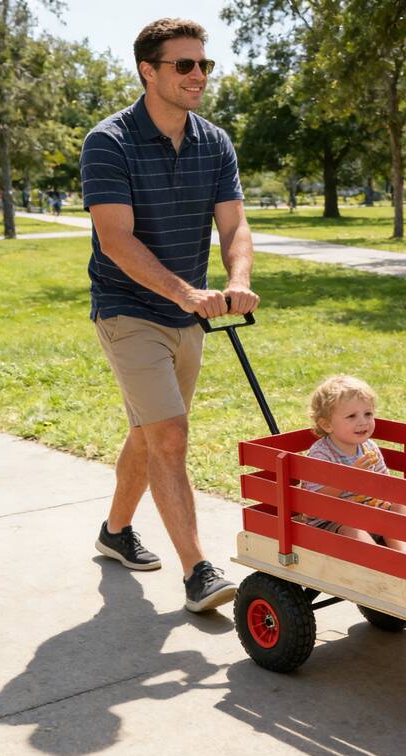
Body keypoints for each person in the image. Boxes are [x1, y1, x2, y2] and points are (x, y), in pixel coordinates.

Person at [80, 18, 259, 612]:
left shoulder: (215, 141)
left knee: (150, 431)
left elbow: (233, 225)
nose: (198, 75)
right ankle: (197, 571)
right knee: (171, 435)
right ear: (148, 70)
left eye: (204, 64)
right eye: (184, 65)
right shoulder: (109, 142)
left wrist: (237, 281)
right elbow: (116, 240)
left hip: (193, 313)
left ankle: (114, 532)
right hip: (129, 308)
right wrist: (185, 293)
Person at [301, 375, 406, 554]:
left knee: (399, 506)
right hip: (334, 519)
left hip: (369, 510)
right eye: (352, 416)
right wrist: (350, 478)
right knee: (351, 529)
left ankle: (404, 551)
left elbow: (386, 484)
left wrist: (386, 494)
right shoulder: (321, 454)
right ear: (327, 424)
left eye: (368, 414)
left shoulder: (369, 447)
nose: (363, 422)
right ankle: (376, 559)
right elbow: (315, 501)